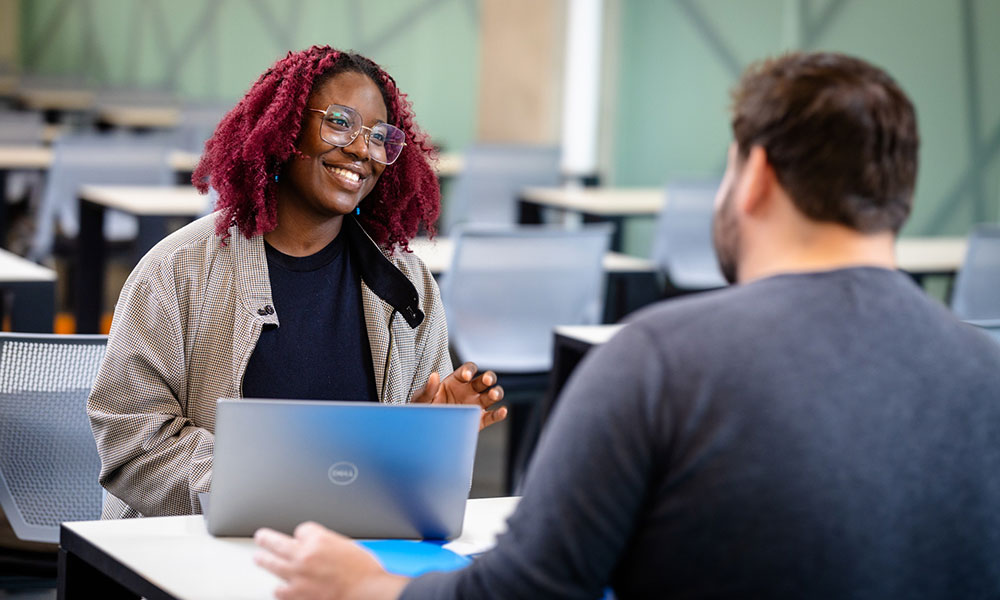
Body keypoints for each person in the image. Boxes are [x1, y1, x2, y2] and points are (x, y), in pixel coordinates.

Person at [253, 52, 1000, 598]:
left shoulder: (662, 363)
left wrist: (364, 588)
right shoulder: (986, 373)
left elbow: (530, 592)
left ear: (758, 176)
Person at [88, 46, 506, 520]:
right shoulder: (177, 270)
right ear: (285, 128)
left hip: (349, 557)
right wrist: (271, 486)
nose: (361, 150)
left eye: (379, 137)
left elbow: (414, 488)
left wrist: (425, 443)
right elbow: (131, 440)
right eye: (340, 122)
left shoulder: (407, 286)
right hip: (203, 555)